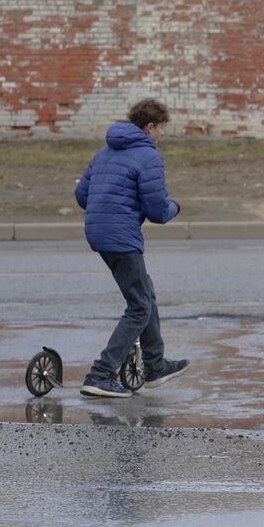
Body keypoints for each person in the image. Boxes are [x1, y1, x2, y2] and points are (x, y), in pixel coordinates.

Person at [74, 99, 189, 399]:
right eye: (162, 129)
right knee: (139, 306)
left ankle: (155, 365)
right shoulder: (148, 156)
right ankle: (100, 374)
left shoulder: (105, 150)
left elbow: (81, 196)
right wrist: (176, 207)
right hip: (121, 237)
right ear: (150, 127)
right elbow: (157, 211)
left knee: (144, 294)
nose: (163, 135)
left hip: (99, 232)